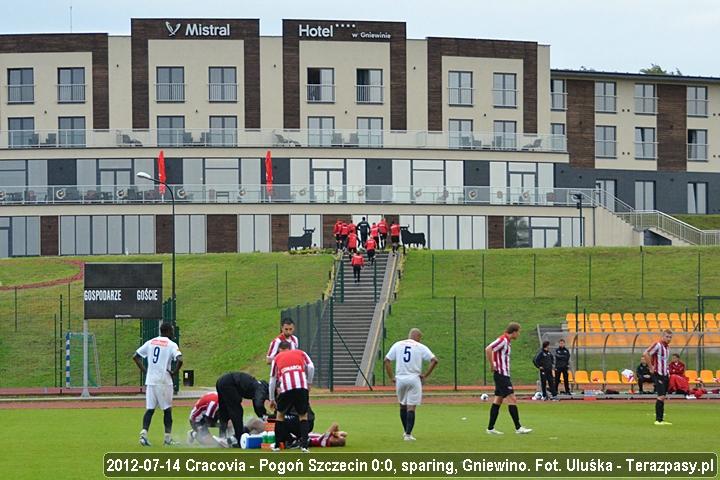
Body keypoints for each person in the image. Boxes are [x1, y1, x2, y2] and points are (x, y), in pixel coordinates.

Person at [133, 323, 183, 446]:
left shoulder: (150, 342)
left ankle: (143, 435)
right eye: (171, 331)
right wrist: (175, 372)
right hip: (164, 381)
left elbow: (136, 356)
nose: (172, 333)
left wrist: (145, 371)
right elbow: (180, 359)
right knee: (167, 410)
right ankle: (167, 439)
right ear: (168, 331)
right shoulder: (171, 345)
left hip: (150, 381)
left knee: (150, 409)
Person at [384, 328, 439, 441]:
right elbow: (434, 360)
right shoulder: (419, 347)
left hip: (400, 378)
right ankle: (408, 434)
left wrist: (391, 377)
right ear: (418, 337)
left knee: (402, 405)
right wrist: (425, 375)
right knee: (411, 407)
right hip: (414, 378)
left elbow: (386, 360)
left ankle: (405, 432)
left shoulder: (398, 344)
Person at [486, 322, 532, 435]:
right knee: (512, 398)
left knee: (498, 400)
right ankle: (518, 427)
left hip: (503, 374)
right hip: (501, 374)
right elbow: (488, 349)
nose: (519, 334)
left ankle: (490, 428)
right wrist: (492, 365)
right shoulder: (503, 340)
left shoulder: (507, 342)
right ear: (514, 331)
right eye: (518, 332)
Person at [269, 341, 315, 452]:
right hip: (301, 386)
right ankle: (304, 446)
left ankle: (277, 445)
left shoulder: (277, 358)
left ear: (279, 350)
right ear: (290, 348)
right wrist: (308, 382)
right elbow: (311, 367)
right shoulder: (301, 353)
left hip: (286, 388)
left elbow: (272, 379)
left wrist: (272, 399)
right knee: (303, 416)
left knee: (280, 416)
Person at [215, 372, 269, 447]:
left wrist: (260, 414)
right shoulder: (261, 389)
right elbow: (258, 404)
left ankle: (222, 436)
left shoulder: (257, 386)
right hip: (229, 383)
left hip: (221, 381)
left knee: (224, 410)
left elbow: (256, 404)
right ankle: (239, 439)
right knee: (237, 411)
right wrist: (264, 415)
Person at [642, 329, 673, 425]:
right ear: (662, 336)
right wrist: (651, 367)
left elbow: (665, 361)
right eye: (667, 336)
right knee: (661, 396)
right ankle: (658, 420)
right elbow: (645, 353)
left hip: (665, 374)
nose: (668, 339)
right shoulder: (658, 345)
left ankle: (661, 419)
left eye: (670, 337)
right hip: (658, 373)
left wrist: (668, 372)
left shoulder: (667, 348)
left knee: (663, 396)